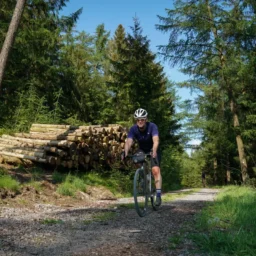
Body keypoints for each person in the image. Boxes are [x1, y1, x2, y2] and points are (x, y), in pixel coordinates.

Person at [122, 108, 162, 206]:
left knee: (155, 171)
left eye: (142, 119)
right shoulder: (133, 129)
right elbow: (129, 141)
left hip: (153, 148)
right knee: (135, 159)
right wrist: (125, 152)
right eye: (138, 119)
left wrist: (154, 150)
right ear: (136, 120)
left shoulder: (152, 126)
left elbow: (156, 140)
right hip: (142, 150)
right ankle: (143, 177)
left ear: (146, 119)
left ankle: (158, 195)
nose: (140, 121)